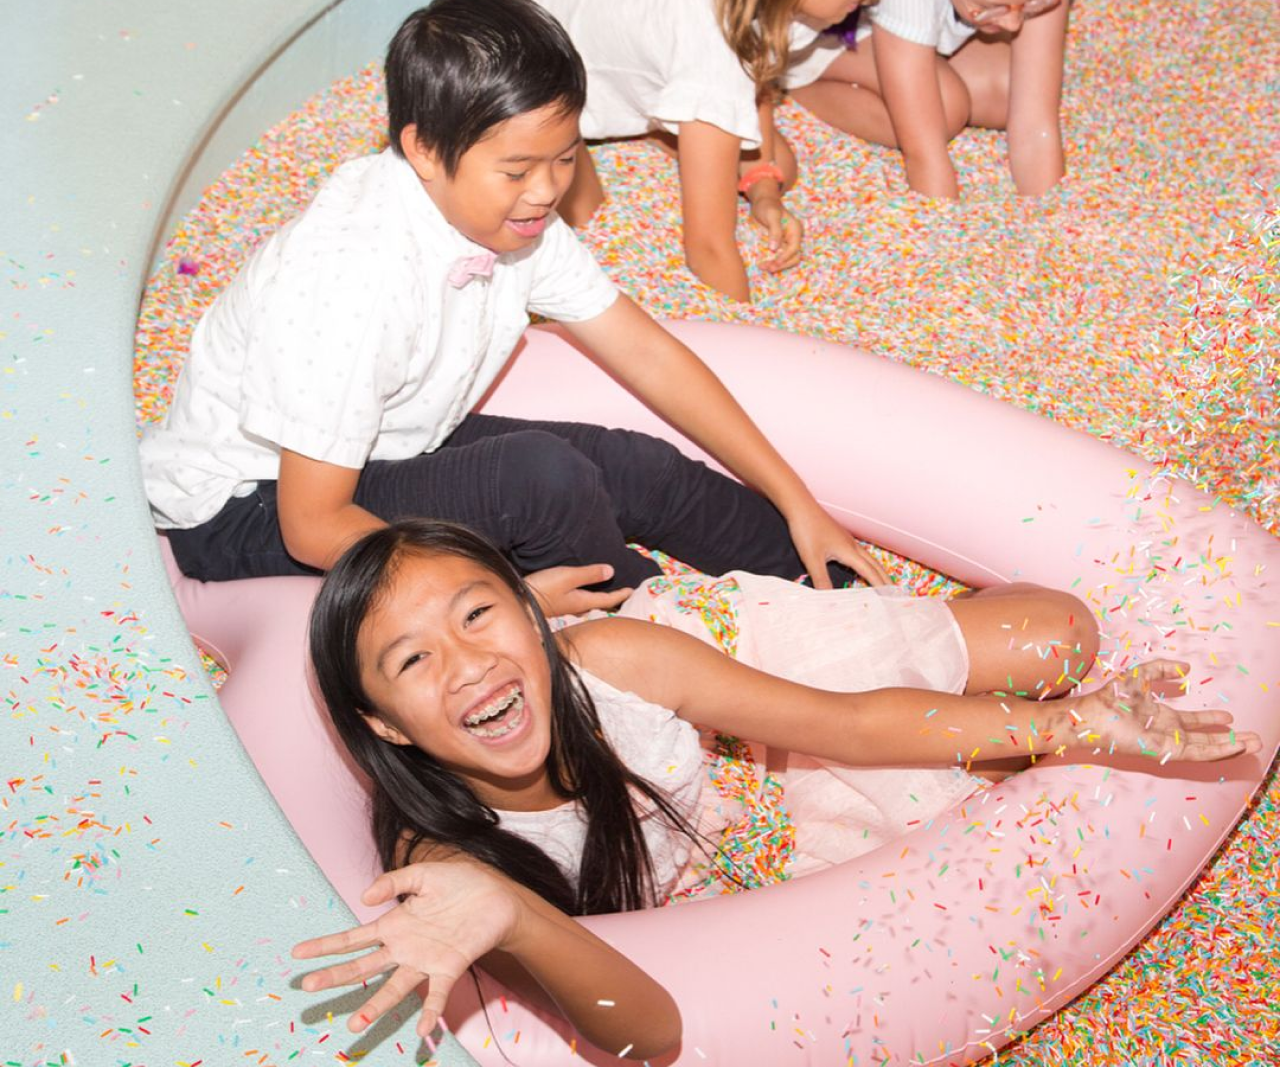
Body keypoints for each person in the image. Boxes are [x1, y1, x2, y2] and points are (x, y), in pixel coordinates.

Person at [292, 519, 1260, 1048]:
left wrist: (1072, 721)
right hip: (710, 826)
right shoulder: (447, 858)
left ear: (530, 617)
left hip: (721, 677)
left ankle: (904, 609)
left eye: (479, 613)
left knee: (1052, 638)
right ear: (378, 722)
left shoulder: (611, 661)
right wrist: (502, 906)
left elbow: (842, 723)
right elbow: (645, 1034)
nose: (468, 663)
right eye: (414, 659)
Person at [139, 0, 887, 618]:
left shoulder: (510, 217)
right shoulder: (352, 279)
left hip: (379, 446)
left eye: (565, 158)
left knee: (631, 465)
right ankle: (685, 641)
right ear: (425, 149)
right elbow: (313, 526)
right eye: (518, 169)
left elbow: (649, 354)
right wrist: (507, 599)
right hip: (249, 509)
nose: (546, 190)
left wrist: (797, 501)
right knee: (541, 480)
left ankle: (840, 597)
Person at [539, 0, 870, 302]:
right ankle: (647, 122)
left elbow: (755, 76)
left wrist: (764, 190)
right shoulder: (713, 55)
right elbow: (708, 248)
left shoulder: (763, 12)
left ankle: (667, 119)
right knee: (583, 213)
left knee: (780, 164)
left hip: (617, 53)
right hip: (536, 60)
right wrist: (748, 325)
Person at [789, 0, 1070, 198]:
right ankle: (790, 84)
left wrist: (1053, 220)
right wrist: (946, 258)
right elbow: (925, 154)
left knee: (1010, 90)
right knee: (945, 110)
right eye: (992, 7)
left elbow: (1035, 120)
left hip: (903, 30)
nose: (1013, 22)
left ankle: (928, 47)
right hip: (821, 32)